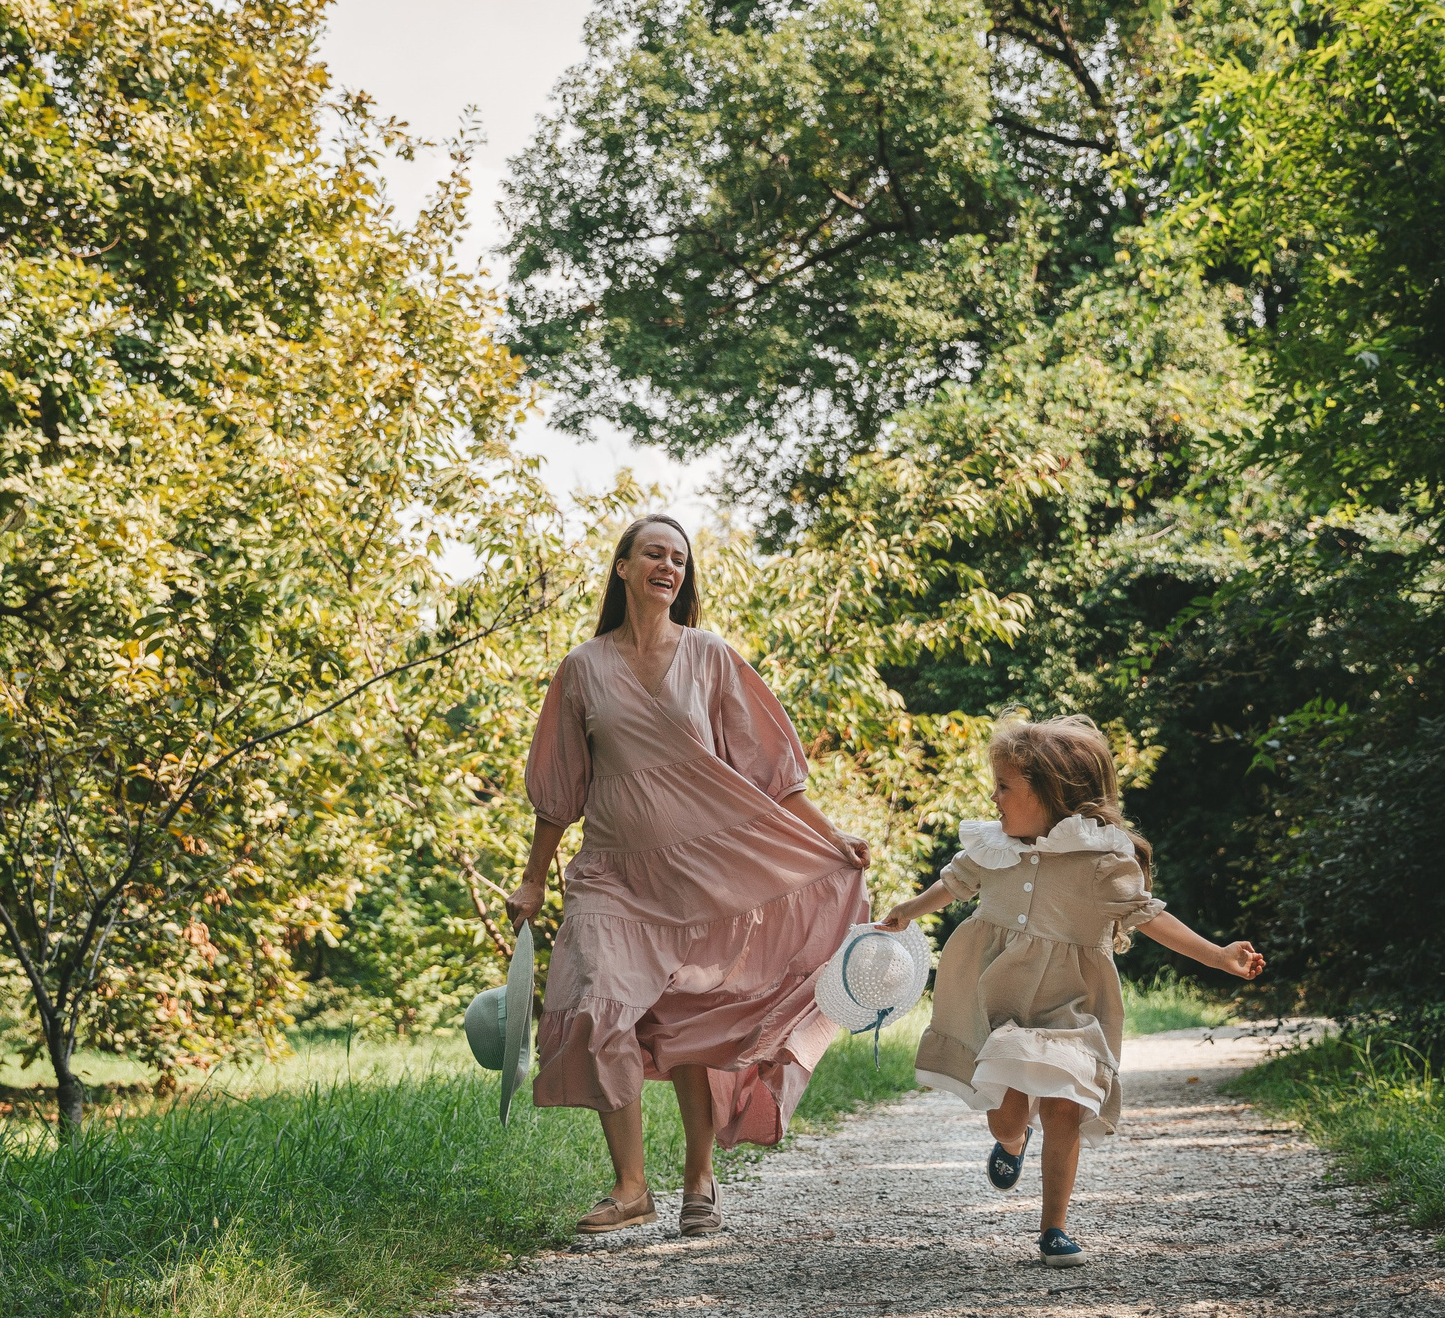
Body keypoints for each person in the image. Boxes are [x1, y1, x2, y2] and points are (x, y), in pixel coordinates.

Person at [508, 515, 869, 1238]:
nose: (667, 566)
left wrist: (830, 837)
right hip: (612, 873)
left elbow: (771, 772)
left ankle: (699, 1178)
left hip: (706, 879)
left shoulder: (709, 657)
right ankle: (631, 1186)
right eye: (653, 554)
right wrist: (534, 879)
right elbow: (559, 789)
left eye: (678, 558)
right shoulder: (583, 667)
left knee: (690, 1028)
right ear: (622, 567)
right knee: (596, 1006)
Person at [876, 715, 1264, 1267]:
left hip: (1072, 1007)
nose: (994, 796)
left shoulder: (1102, 860)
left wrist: (1218, 955)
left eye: (1006, 786)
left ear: (1051, 793)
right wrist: (907, 911)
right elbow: (954, 883)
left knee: (1064, 1108)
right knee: (1008, 1118)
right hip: (1005, 1007)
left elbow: (1150, 917)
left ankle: (1053, 1228)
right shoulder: (994, 846)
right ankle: (1012, 1142)